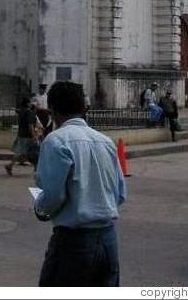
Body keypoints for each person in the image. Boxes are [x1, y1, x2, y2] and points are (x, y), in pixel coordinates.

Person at [34, 81, 126, 287]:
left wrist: (40, 207)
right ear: (84, 108)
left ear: (52, 111)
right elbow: (120, 194)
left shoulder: (56, 141)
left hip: (75, 242)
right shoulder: (106, 141)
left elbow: (53, 197)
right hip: (108, 240)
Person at [5, 97, 39, 176]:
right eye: (30, 103)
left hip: (21, 134)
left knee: (23, 152)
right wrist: (34, 136)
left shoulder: (21, 112)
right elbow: (30, 125)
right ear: (27, 104)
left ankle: (10, 165)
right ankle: (10, 165)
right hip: (28, 136)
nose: (31, 104)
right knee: (33, 152)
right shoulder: (29, 113)